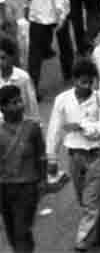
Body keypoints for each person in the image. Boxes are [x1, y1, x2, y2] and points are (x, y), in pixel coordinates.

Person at [46, 57, 100, 252]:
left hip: (96, 155)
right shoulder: (62, 100)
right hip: (74, 156)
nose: (87, 86)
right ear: (74, 80)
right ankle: (99, 230)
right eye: (83, 82)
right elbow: (55, 130)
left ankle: (81, 243)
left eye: (90, 82)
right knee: (84, 199)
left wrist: (82, 127)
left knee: (91, 201)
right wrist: (52, 157)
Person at [0, 84, 45, 253]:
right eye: (13, 102)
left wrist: (42, 181)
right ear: (3, 108)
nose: (19, 105)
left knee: (21, 230)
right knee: (12, 232)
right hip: (4, 188)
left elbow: (41, 156)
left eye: (20, 101)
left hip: (27, 187)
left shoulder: (32, 128)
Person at [0, 38, 39, 122]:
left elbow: (31, 104)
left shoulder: (23, 77)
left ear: (12, 57)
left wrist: (36, 123)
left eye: (3, 58)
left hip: (19, 124)